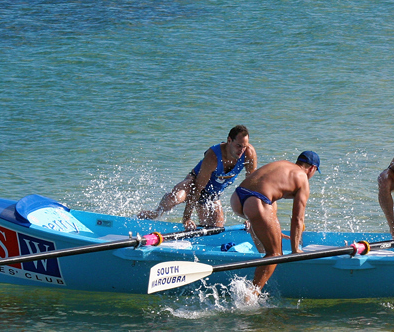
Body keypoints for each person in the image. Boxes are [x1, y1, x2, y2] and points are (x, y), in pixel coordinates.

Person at [229, 151, 319, 292]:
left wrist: (273, 229)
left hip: (237, 198)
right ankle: (251, 295)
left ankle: (261, 245)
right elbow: (297, 218)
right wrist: (296, 250)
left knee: (270, 209)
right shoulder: (303, 178)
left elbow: (267, 191)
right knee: (275, 254)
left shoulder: (283, 165)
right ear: (312, 168)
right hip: (256, 203)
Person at [137, 125, 257, 229]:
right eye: (239, 146)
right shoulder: (213, 156)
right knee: (176, 198)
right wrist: (186, 219)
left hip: (213, 194)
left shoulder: (248, 154)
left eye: (244, 146)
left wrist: (251, 218)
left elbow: (251, 187)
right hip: (194, 183)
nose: (242, 150)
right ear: (229, 140)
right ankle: (153, 214)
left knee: (217, 229)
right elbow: (198, 188)